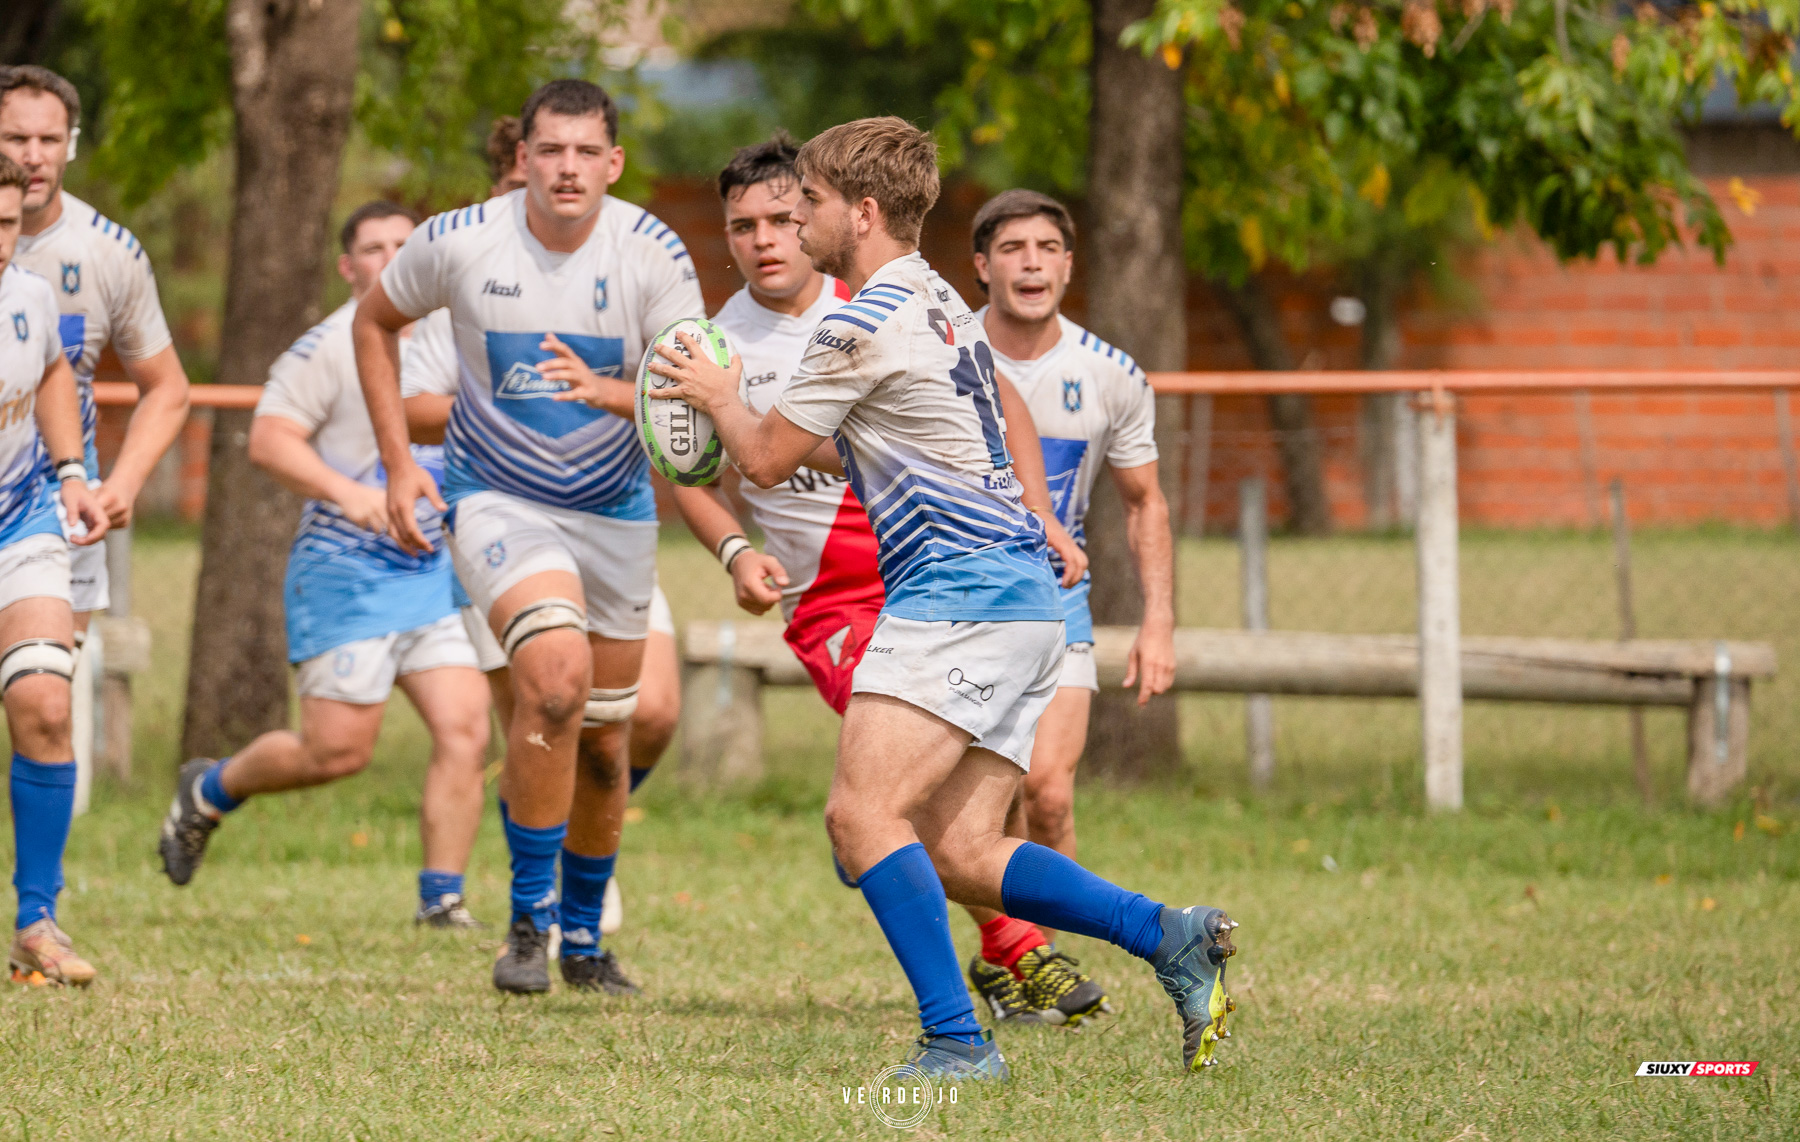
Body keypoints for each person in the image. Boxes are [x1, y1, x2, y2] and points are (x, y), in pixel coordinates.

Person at [646, 117, 1237, 1078]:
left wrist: (717, 393)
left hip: (958, 596)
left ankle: (957, 1043)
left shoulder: (856, 321)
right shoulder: (935, 303)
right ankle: (1172, 936)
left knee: (860, 818)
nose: (796, 222)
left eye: (814, 206)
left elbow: (757, 457)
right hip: (1018, 603)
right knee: (960, 845)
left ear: (864, 211)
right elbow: (878, 439)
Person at [686, 135, 1099, 1027]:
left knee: (890, 818)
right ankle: (1026, 948)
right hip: (841, 601)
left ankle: (996, 967)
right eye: (746, 225)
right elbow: (694, 471)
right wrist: (732, 550)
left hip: (936, 585)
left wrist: (1045, 511)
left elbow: (998, 405)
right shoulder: (721, 342)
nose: (772, 236)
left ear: (840, 215)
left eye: (791, 214)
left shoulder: (861, 310)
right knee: (895, 813)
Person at [352, 79, 711, 996]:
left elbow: (687, 399)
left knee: (604, 737)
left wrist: (616, 393)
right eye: (551, 149)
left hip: (617, 513)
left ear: (614, 163)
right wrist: (400, 466)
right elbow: (375, 321)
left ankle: (586, 940)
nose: (567, 168)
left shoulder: (654, 252)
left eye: (587, 152)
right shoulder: (461, 240)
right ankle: (527, 922)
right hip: (497, 501)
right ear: (525, 156)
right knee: (553, 684)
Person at [155, 203, 492, 930]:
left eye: (405, 244)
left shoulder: (456, 333)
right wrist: (353, 495)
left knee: (466, 729)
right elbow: (270, 440)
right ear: (348, 268)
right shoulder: (331, 344)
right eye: (374, 248)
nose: (392, 257)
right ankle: (208, 789)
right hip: (348, 571)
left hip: (437, 574)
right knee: (337, 750)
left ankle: (442, 898)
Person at [958, 188, 1179, 1022]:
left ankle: (1038, 958)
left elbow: (1144, 501)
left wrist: (1157, 621)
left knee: (1046, 790)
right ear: (981, 266)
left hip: (1058, 607)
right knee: (984, 797)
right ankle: (1022, 962)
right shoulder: (946, 358)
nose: (1031, 264)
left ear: (1069, 265)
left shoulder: (1109, 374)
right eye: (1012, 248)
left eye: (1048, 248)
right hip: (956, 606)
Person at [0, 65, 191, 776]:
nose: (33, 155)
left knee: (43, 708)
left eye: (50, 138)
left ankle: (39, 887)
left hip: (50, 508)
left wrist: (123, 485)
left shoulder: (109, 251)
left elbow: (167, 388)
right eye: (16, 137)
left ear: (72, 144)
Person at [0, 152, 110, 985]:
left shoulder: (30, 296)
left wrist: (70, 468)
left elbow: (50, 370)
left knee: (43, 700)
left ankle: (37, 919)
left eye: (7, 224)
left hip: (19, 520)